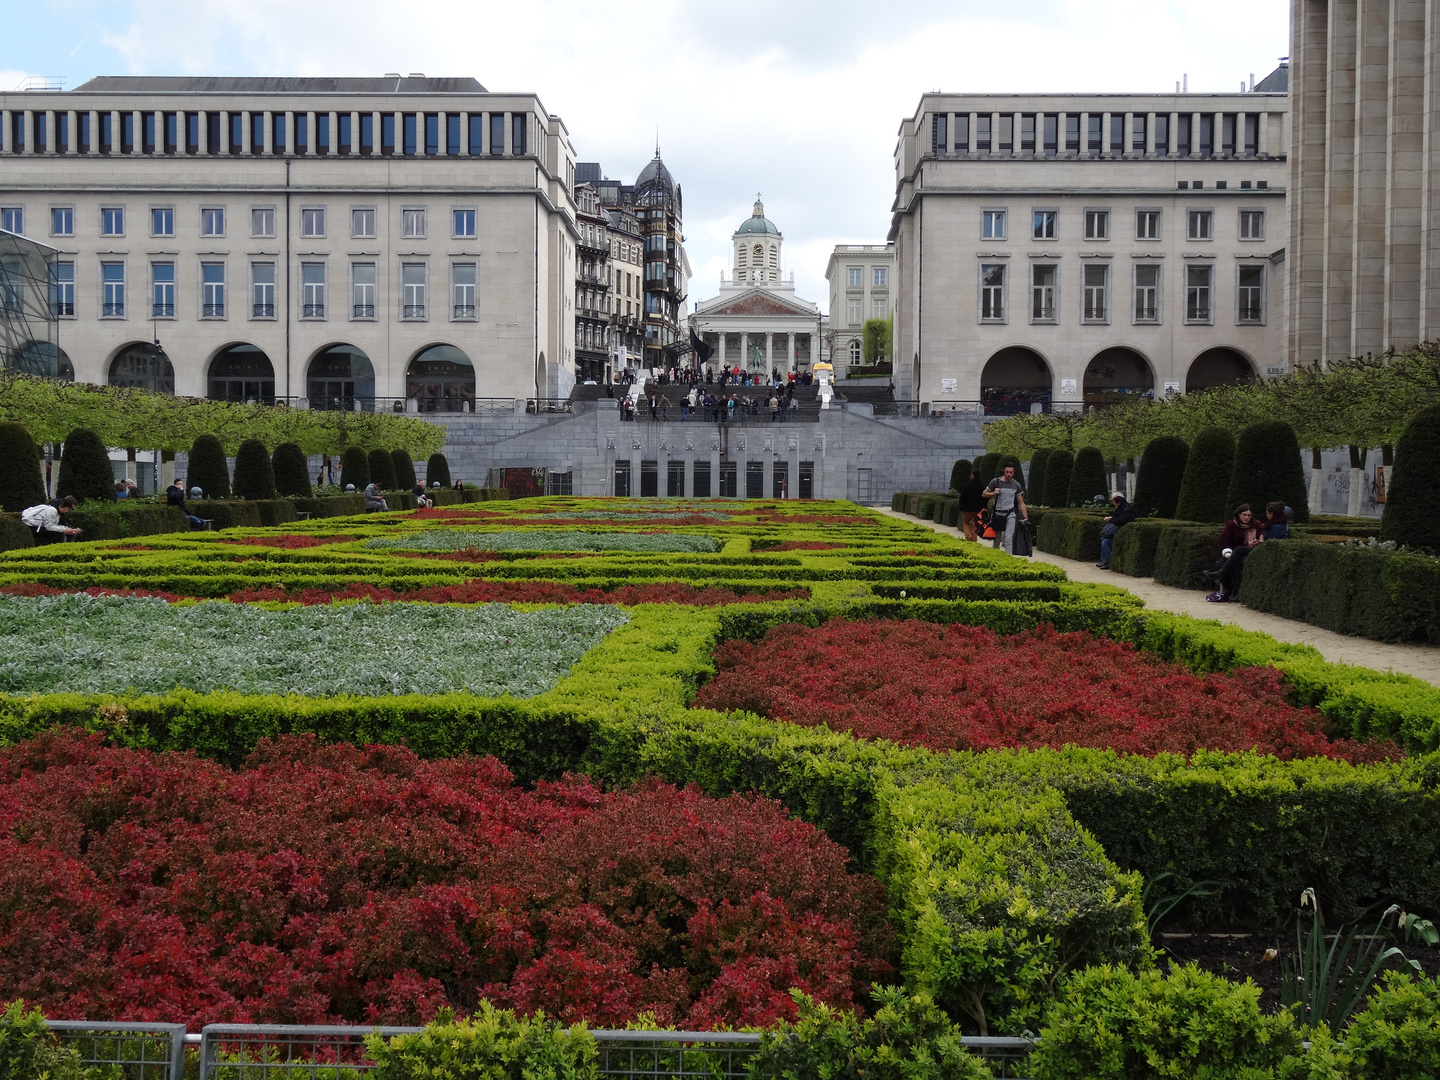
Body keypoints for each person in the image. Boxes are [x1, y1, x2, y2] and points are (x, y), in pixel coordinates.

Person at [1204, 504, 1264, 602]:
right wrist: (1228, 553)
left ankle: (1234, 589)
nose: (1246, 517)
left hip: (1246, 552)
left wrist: (1256, 542)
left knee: (1236, 562)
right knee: (1222, 562)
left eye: (1249, 515)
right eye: (1244, 515)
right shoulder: (1232, 524)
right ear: (1239, 514)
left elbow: (1261, 538)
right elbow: (1224, 541)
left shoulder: (1257, 525)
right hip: (1231, 552)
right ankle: (1228, 588)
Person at [982, 464, 1029, 555]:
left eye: (1011, 472)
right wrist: (993, 493)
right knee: (996, 540)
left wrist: (1025, 516)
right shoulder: (995, 482)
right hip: (998, 514)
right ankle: (996, 559)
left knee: (1008, 538)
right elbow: (984, 494)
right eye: (1007, 472)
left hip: (1010, 513)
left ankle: (1008, 559)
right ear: (1003, 471)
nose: (1009, 474)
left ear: (1014, 473)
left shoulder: (1016, 485)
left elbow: (1021, 502)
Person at [1097, 491, 1137, 569]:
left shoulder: (1126, 509)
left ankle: (1107, 561)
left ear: (1118, 502)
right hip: (1118, 530)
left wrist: (1111, 519)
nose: (1113, 504)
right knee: (1104, 539)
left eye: (1114, 502)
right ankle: (1104, 560)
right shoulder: (1122, 508)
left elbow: (1120, 521)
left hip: (1122, 532)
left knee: (1105, 541)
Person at [958, 470, 987, 541]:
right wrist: (984, 507)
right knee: (975, 525)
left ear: (973, 475)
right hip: (978, 509)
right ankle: (974, 539)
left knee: (966, 523)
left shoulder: (966, 485)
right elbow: (985, 498)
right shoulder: (982, 487)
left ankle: (967, 536)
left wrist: (961, 507)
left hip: (967, 508)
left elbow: (962, 497)